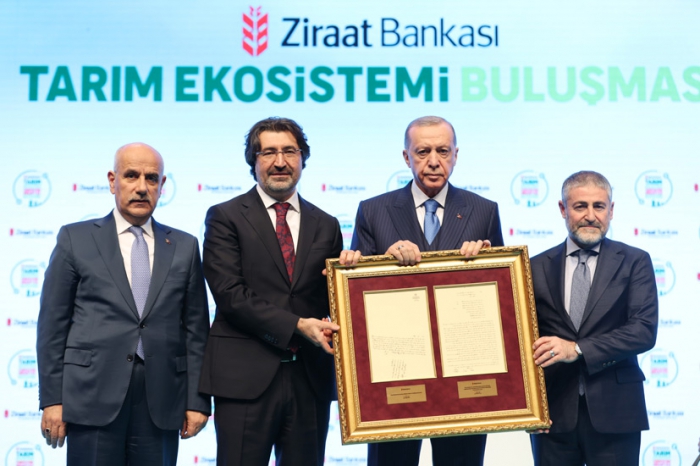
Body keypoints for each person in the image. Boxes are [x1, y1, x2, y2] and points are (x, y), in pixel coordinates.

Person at [37, 143, 211, 465]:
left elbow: (196, 332)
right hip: (90, 398)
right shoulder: (75, 238)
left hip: (161, 400)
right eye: (131, 175)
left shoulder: (185, 246)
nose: (142, 187)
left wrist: (198, 401)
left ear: (162, 185)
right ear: (112, 180)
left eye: (152, 178)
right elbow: (52, 327)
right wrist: (52, 400)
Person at [346, 115, 504, 466]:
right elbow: (356, 302)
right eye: (423, 152)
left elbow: (501, 300)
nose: (434, 161)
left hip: (464, 376)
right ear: (406, 157)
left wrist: (485, 263)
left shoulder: (484, 211)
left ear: (456, 155)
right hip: (395, 377)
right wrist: (381, 264)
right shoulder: (373, 211)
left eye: (443, 151)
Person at [198, 117, 343, 466]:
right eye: (269, 153)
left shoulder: (327, 224)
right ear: (254, 161)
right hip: (244, 380)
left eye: (290, 151)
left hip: (309, 380)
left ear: (303, 158)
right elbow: (230, 295)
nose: (280, 162)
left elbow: (335, 299)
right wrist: (298, 325)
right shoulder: (225, 217)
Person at [530, 170, 658, 466]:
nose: (590, 215)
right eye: (580, 206)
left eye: (598, 206)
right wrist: (528, 407)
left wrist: (576, 349)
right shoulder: (534, 267)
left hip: (617, 413)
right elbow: (520, 339)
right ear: (563, 209)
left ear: (611, 210)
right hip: (552, 417)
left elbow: (643, 331)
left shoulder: (635, 261)